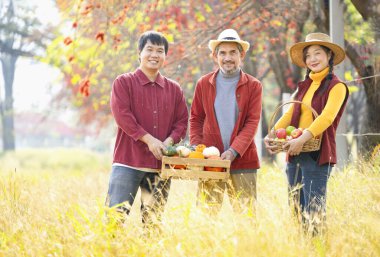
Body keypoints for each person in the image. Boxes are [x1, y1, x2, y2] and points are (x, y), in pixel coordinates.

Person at [264, 32, 349, 234]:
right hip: (294, 153)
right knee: (296, 210)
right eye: (308, 55)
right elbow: (291, 113)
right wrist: (272, 133)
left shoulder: (337, 87)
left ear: (329, 55)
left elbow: (326, 117)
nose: (312, 59)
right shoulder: (305, 85)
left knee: (314, 212)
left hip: (316, 154)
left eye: (318, 53)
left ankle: (317, 249)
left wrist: (302, 139)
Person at [106, 31, 188, 224]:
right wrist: (149, 140)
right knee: (114, 222)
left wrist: (168, 143)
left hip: (159, 167)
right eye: (149, 49)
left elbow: (182, 122)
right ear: (139, 53)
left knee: (153, 225)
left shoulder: (174, 89)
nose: (154, 55)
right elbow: (122, 116)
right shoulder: (123, 82)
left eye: (160, 51)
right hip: (127, 163)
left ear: (165, 56)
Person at [190, 29, 262, 213]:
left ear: (241, 55)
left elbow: (252, 122)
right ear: (215, 56)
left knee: (246, 218)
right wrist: (198, 150)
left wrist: (233, 151)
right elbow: (196, 119)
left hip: (243, 160)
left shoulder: (254, 85)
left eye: (233, 52)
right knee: (207, 216)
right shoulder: (203, 84)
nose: (227, 58)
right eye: (222, 53)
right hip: (211, 162)